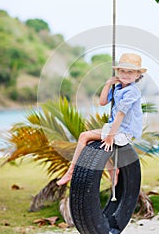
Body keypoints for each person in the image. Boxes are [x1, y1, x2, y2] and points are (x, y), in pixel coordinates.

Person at [57, 53, 147, 186]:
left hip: (123, 131)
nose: (126, 74)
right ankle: (112, 170)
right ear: (117, 72)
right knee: (97, 145)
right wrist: (107, 84)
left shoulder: (132, 91)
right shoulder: (117, 87)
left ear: (137, 75)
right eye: (122, 71)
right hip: (115, 128)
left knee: (84, 137)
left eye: (130, 72)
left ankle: (71, 171)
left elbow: (121, 114)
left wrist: (110, 136)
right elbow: (103, 102)